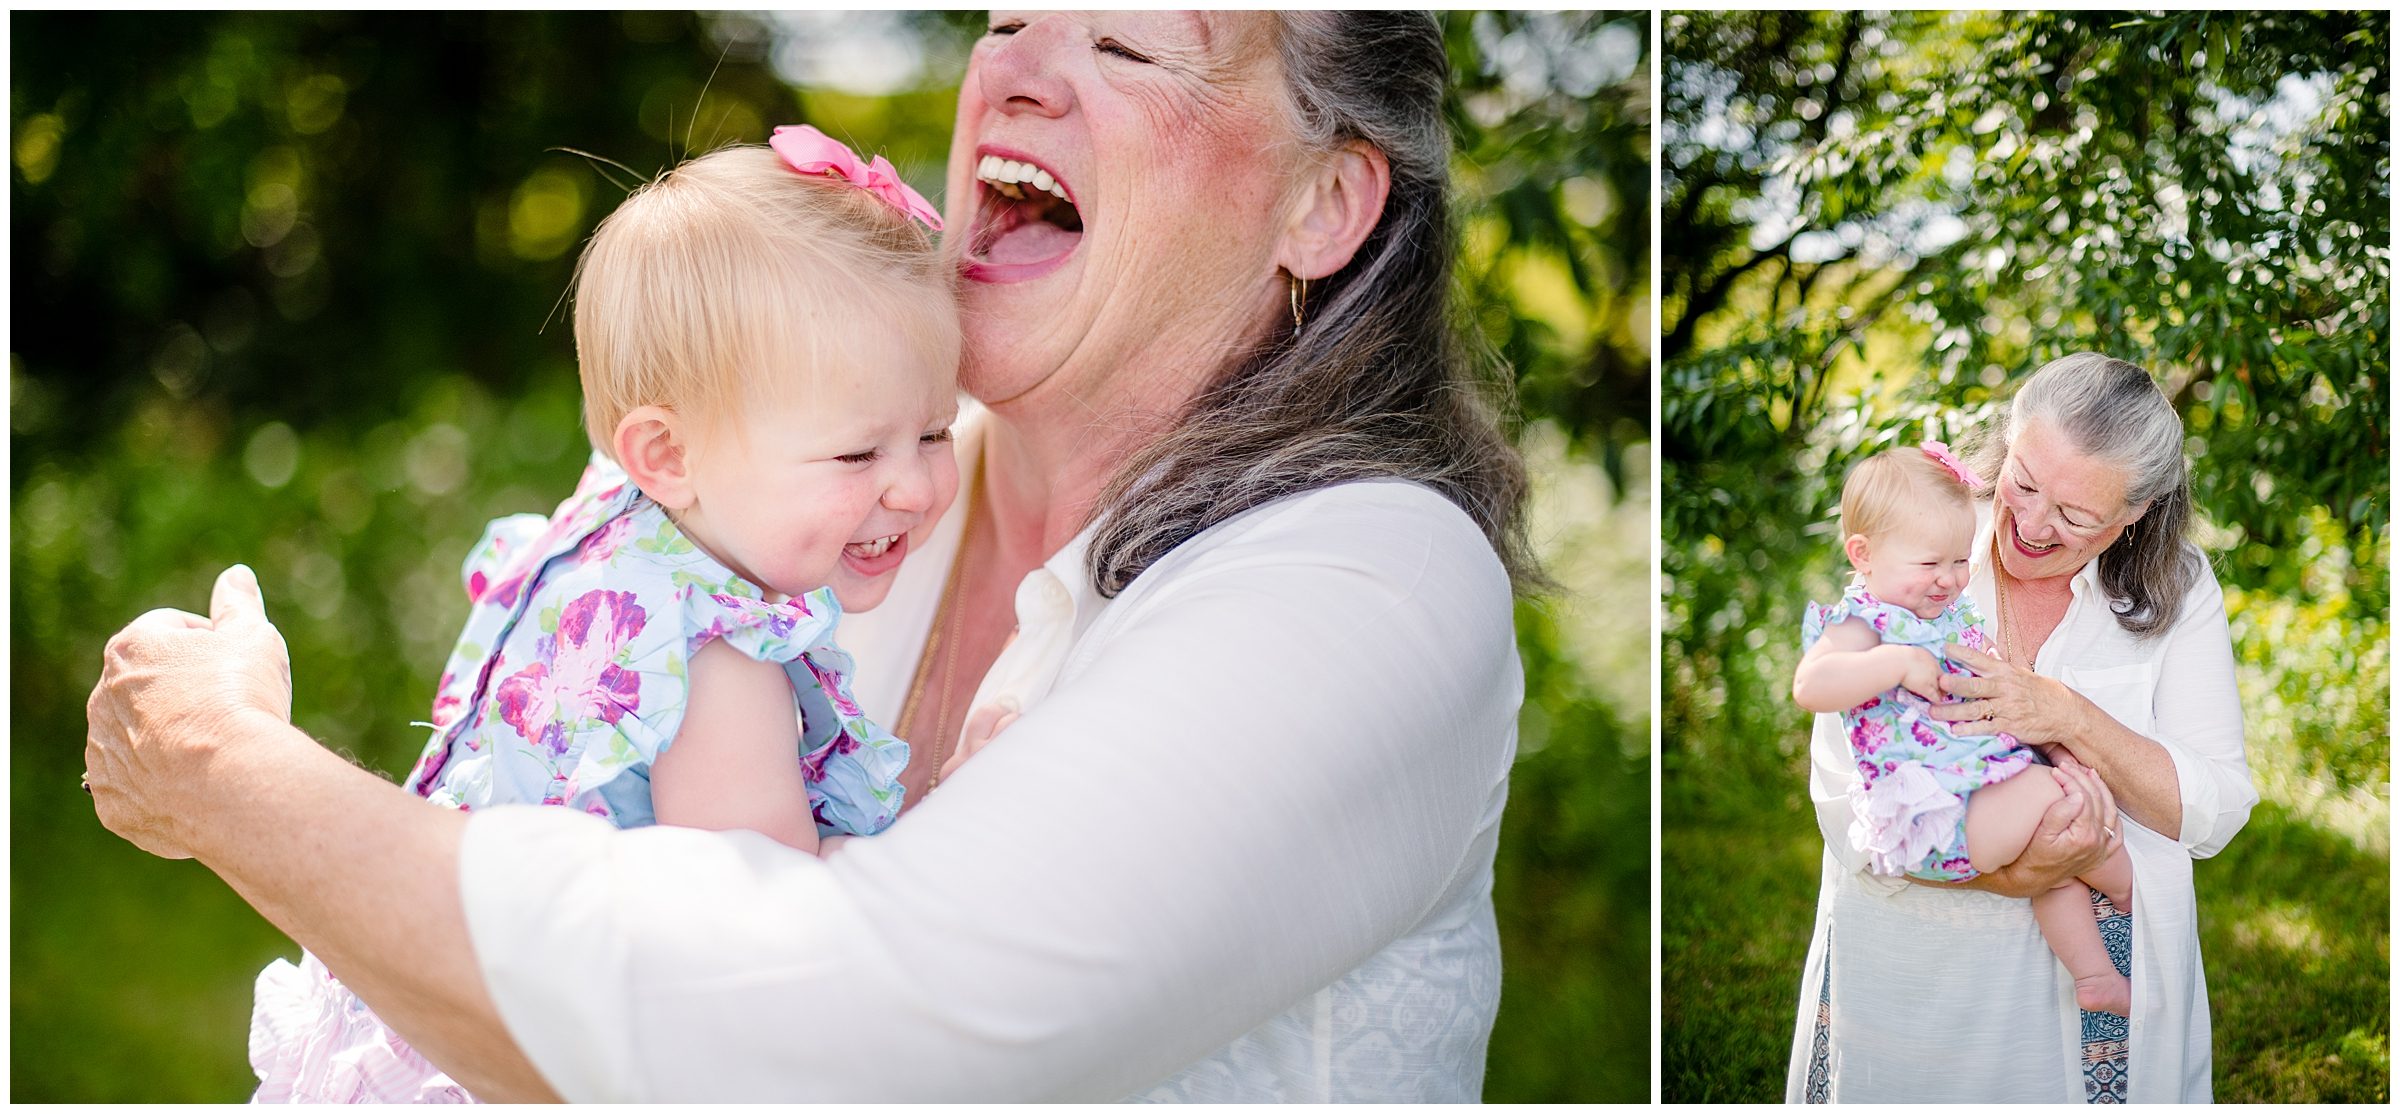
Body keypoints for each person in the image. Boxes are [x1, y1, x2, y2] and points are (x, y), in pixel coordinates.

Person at [83, 12, 1534, 1101]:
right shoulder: (808, 450)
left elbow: (817, 1041)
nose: (1017, 69)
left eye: (1127, 43)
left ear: (1323, 203)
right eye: (1006, 18)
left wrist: (227, 773)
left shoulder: (1375, 577)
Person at [242, 128, 962, 1102]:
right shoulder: (720, 672)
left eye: (932, 432)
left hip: (424, 994)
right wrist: (954, 832)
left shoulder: (613, 527)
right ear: (667, 453)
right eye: (856, 455)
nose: (914, 486)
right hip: (525, 1060)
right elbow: (777, 948)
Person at [1786, 353, 2257, 1103]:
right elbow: (1847, 794)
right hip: (1913, 975)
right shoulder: (1925, 540)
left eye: (2074, 515)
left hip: (2094, 988)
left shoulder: (2181, 587)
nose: (2031, 526)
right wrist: (2017, 873)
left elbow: (2215, 810)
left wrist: (2068, 715)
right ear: (2007, 442)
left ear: (2134, 512)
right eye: (2024, 484)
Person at [1793, 442, 2134, 1021]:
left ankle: (2095, 976)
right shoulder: (1864, 622)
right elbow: (1812, 684)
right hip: (1936, 819)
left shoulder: (1947, 616)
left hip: (1974, 792)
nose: (1949, 580)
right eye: (1930, 565)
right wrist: (1894, 664)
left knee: (2055, 875)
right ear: (1863, 554)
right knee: (2062, 800)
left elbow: (2007, 687)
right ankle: (2131, 891)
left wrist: (2050, 740)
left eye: (1958, 562)